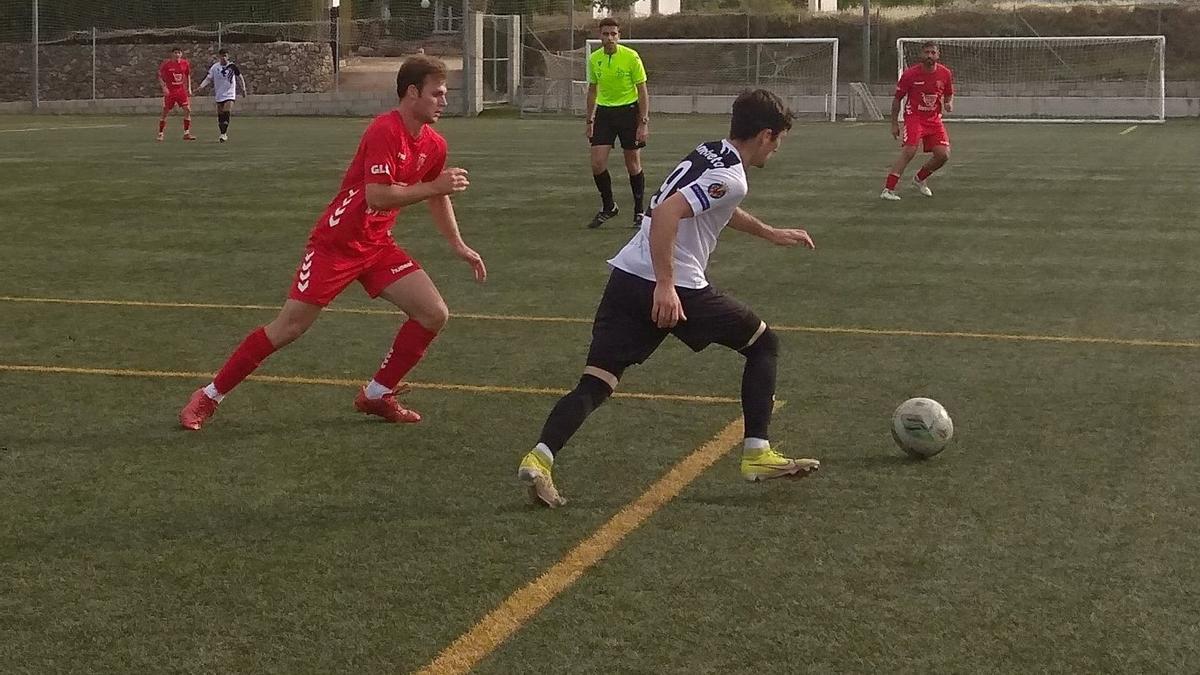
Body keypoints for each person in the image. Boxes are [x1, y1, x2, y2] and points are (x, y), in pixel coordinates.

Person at [518, 89, 820, 508]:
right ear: (766, 135)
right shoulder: (732, 177)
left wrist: (770, 233)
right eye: (779, 139)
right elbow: (667, 213)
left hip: (626, 275)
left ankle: (539, 459)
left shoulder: (711, 151)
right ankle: (757, 453)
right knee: (763, 344)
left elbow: (711, 207)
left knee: (598, 380)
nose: (778, 148)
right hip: (673, 286)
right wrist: (665, 284)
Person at [179, 56, 487, 430]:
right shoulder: (384, 130)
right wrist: (434, 187)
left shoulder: (434, 144)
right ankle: (209, 396)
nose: (444, 101)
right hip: (336, 244)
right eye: (437, 94)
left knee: (433, 313)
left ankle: (376, 394)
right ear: (411, 93)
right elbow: (378, 196)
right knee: (288, 328)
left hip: (376, 245)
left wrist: (457, 244)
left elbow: (437, 195)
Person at [584, 17, 649, 230]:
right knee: (597, 163)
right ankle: (609, 206)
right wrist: (589, 119)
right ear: (600, 36)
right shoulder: (594, 59)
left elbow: (642, 90)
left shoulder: (631, 57)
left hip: (629, 113)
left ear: (619, 36)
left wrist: (643, 122)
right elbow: (593, 90)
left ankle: (639, 211)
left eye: (613, 34)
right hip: (604, 113)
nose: (610, 38)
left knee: (632, 163)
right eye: (605, 34)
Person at [881, 40, 954, 201]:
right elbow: (897, 99)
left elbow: (949, 93)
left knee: (943, 155)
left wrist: (949, 103)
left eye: (933, 53)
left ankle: (919, 179)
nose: (929, 56)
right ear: (921, 54)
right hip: (914, 117)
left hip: (934, 119)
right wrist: (894, 123)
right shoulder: (910, 75)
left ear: (938, 55)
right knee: (910, 151)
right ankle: (888, 189)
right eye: (926, 52)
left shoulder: (945, 73)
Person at [195, 48, 248, 143]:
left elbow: (240, 77)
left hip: (229, 94)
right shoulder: (215, 67)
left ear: (228, 56)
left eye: (225, 56)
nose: (224, 58)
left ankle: (223, 134)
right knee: (220, 116)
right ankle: (222, 133)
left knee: (226, 111)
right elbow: (208, 78)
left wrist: (243, 89)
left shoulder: (232, 66)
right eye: (222, 56)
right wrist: (201, 87)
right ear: (219, 57)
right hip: (219, 94)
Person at [157, 47, 196, 142]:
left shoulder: (184, 63)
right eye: (175, 53)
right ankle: (160, 133)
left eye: (179, 53)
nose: (177, 54)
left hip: (181, 91)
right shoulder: (167, 65)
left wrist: (189, 88)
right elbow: (160, 76)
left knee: (187, 109)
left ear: (181, 54)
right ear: (172, 54)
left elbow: (187, 75)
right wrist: (164, 87)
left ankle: (186, 133)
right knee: (165, 111)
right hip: (170, 91)